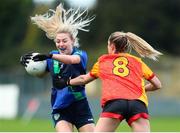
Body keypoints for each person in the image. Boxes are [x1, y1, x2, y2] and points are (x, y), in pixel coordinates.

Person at [57, 31, 162, 132]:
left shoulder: (103, 61)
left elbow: (84, 79)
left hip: (115, 103)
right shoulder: (138, 62)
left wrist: (67, 82)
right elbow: (157, 84)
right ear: (125, 47)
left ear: (112, 46)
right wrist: (140, 89)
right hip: (137, 104)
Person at [20, 4, 95, 132]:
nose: (61, 44)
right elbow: (41, 74)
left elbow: (73, 60)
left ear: (72, 40)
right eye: (58, 41)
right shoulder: (52, 56)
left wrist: (50, 56)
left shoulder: (80, 54)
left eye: (64, 41)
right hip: (60, 107)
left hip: (80, 106)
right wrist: (28, 64)